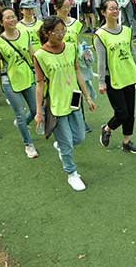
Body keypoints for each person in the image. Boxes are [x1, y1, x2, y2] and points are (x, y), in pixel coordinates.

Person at [34, 17, 96, 191]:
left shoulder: (70, 48)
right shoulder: (39, 55)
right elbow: (39, 84)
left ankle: (61, 146)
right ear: (47, 33)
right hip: (56, 104)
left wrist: (87, 96)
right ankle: (72, 173)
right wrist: (39, 111)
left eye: (63, 31)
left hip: (74, 98)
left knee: (79, 137)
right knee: (67, 143)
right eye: (57, 31)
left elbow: (76, 71)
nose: (61, 34)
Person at [94, 0, 136, 154]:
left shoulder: (126, 30)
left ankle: (127, 142)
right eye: (111, 9)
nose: (115, 11)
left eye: (116, 8)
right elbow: (101, 61)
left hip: (128, 75)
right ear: (103, 12)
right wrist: (101, 81)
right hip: (113, 78)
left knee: (131, 112)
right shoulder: (100, 35)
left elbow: (132, 51)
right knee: (122, 113)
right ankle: (107, 128)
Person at [0, 7, 39, 158]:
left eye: (13, 17)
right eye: (8, 18)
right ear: (1, 21)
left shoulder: (24, 33)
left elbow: (32, 56)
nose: (12, 20)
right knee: (19, 113)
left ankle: (22, 124)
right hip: (9, 81)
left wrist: (40, 73)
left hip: (27, 77)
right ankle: (28, 144)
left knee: (35, 109)